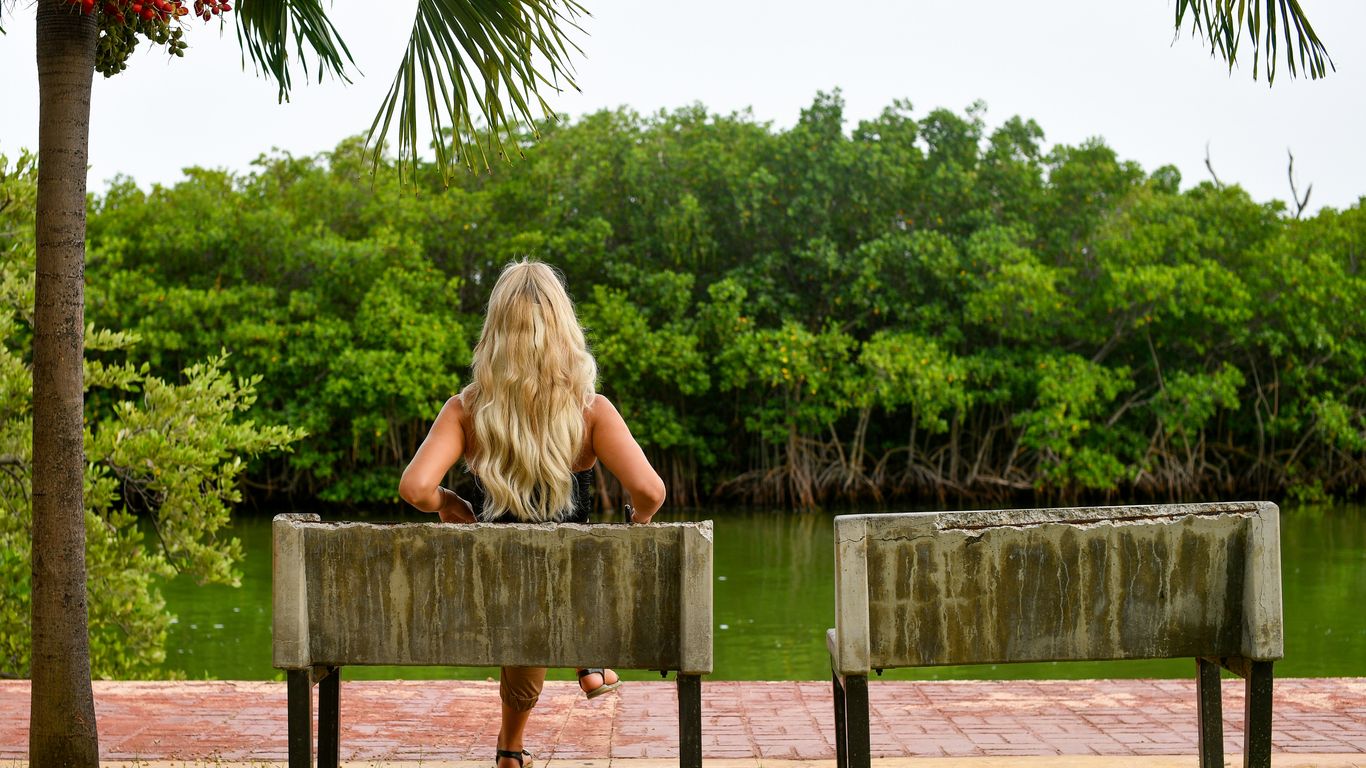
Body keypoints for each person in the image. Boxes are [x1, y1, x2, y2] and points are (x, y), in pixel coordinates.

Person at [398, 259, 666, 768]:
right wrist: (637, 524)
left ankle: (510, 748)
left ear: (494, 332)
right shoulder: (591, 411)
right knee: (572, 566)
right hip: (568, 593)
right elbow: (650, 491)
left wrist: (449, 503)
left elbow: (415, 487)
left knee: (522, 587)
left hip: (495, 598)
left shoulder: (466, 410)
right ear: (564, 328)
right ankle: (589, 654)